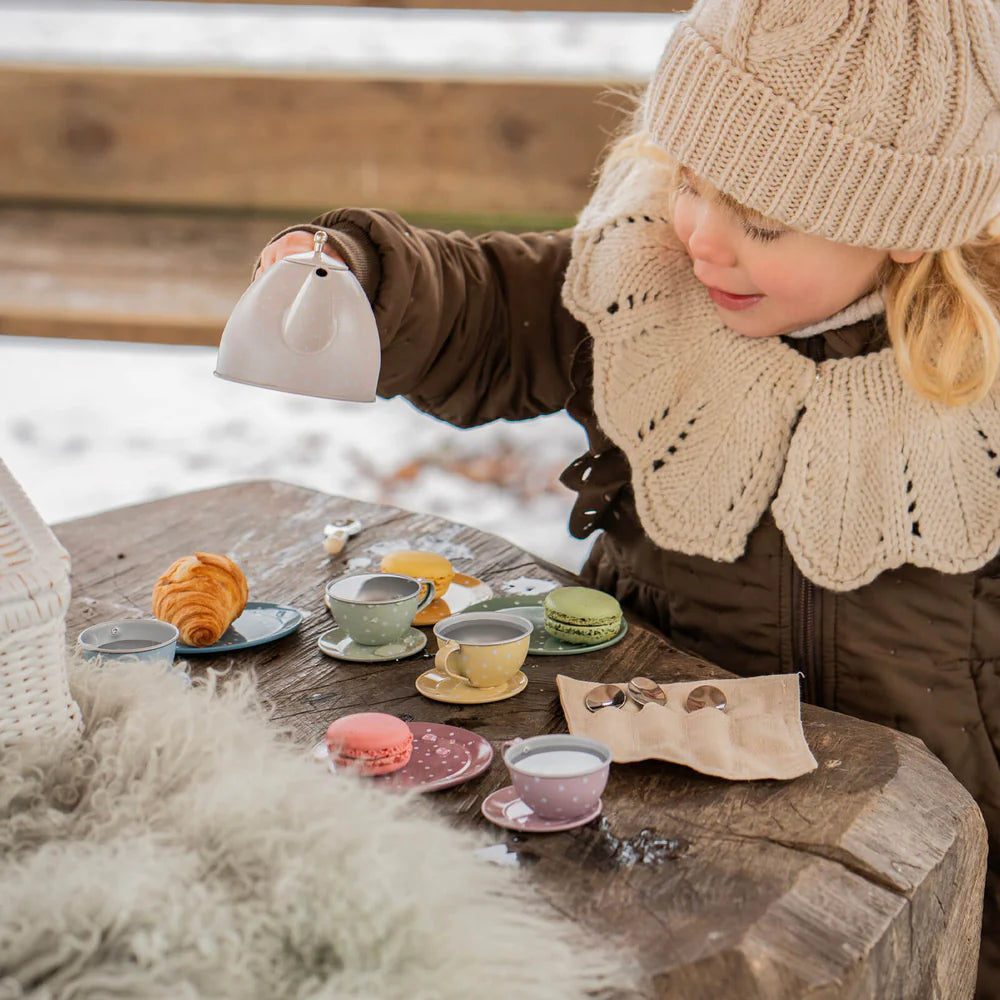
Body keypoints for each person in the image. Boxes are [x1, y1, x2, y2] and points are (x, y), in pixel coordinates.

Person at [254, 1, 1000, 993]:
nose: (701, 238)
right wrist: (372, 281)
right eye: (688, 180)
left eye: (761, 221)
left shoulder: (981, 378)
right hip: (657, 809)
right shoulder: (644, 282)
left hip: (926, 843)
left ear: (908, 230)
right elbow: (490, 308)